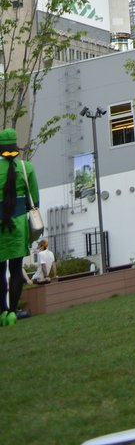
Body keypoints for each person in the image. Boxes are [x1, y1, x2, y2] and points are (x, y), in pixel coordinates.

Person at [0, 127, 41, 326]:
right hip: (18, 224)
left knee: (0, 271)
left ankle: (2, 311)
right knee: (16, 270)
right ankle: (12, 313)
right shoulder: (27, 168)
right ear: (16, 146)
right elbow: (35, 200)